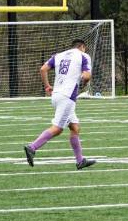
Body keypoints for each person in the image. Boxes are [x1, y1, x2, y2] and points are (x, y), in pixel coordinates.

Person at [24, 39, 96, 170]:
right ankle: (32, 147)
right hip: (67, 97)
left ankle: (80, 161)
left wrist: (47, 86)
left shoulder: (59, 55)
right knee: (57, 129)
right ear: (82, 47)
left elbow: (43, 69)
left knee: (75, 127)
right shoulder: (83, 56)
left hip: (56, 95)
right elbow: (86, 76)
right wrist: (84, 83)